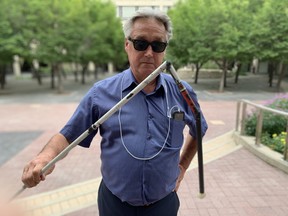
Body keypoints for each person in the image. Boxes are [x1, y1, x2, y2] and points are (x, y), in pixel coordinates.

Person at [22, 9, 208, 216]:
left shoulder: (182, 92)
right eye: (140, 43)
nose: (149, 53)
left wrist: (182, 166)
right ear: (127, 45)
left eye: (157, 45)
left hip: (163, 203)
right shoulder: (101, 93)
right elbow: (68, 135)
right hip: (114, 204)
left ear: (165, 49)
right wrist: (44, 157)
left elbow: (200, 127)